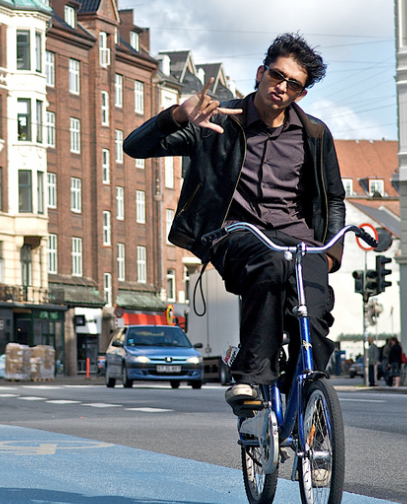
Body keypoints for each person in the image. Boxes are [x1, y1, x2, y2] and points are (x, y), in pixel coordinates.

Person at [124, 33, 343, 414]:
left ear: (301, 94)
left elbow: (334, 198)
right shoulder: (216, 121)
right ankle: (252, 377)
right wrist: (178, 115)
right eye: (278, 76)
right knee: (270, 265)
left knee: (316, 308)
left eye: (294, 84)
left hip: (299, 241)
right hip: (234, 233)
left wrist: (330, 257)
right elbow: (134, 146)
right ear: (261, 72)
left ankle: (302, 398)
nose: (283, 87)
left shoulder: (315, 134)